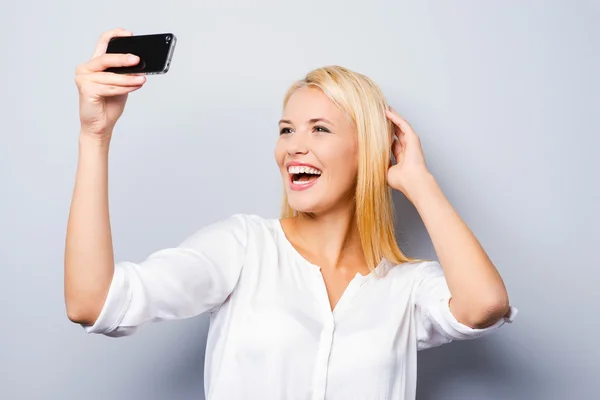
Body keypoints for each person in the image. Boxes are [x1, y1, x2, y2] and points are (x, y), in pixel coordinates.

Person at [65, 28, 517, 400]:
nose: (294, 146)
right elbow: (93, 304)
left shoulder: (407, 287)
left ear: (372, 151)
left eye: (320, 129)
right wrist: (95, 136)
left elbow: (484, 306)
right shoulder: (243, 248)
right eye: (286, 130)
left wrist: (419, 182)